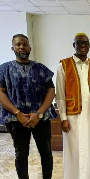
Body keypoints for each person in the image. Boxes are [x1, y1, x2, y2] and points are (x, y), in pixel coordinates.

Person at [0, 34, 57, 179]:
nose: (22, 47)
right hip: (16, 120)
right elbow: (0, 93)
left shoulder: (41, 69)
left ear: (30, 48)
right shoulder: (4, 69)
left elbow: (51, 91)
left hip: (40, 119)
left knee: (46, 153)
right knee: (21, 155)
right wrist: (17, 113)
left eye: (24, 44)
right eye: (18, 44)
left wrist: (38, 114)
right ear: (13, 48)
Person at [56, 33, 90, 179]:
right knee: (74, 149)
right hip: (72, 115)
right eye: (79, 42)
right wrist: (63, 118)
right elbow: (60, 95)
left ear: (89, 46)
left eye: (86, 43)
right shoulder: (64, 65)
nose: (83, 45)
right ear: (74, 45)